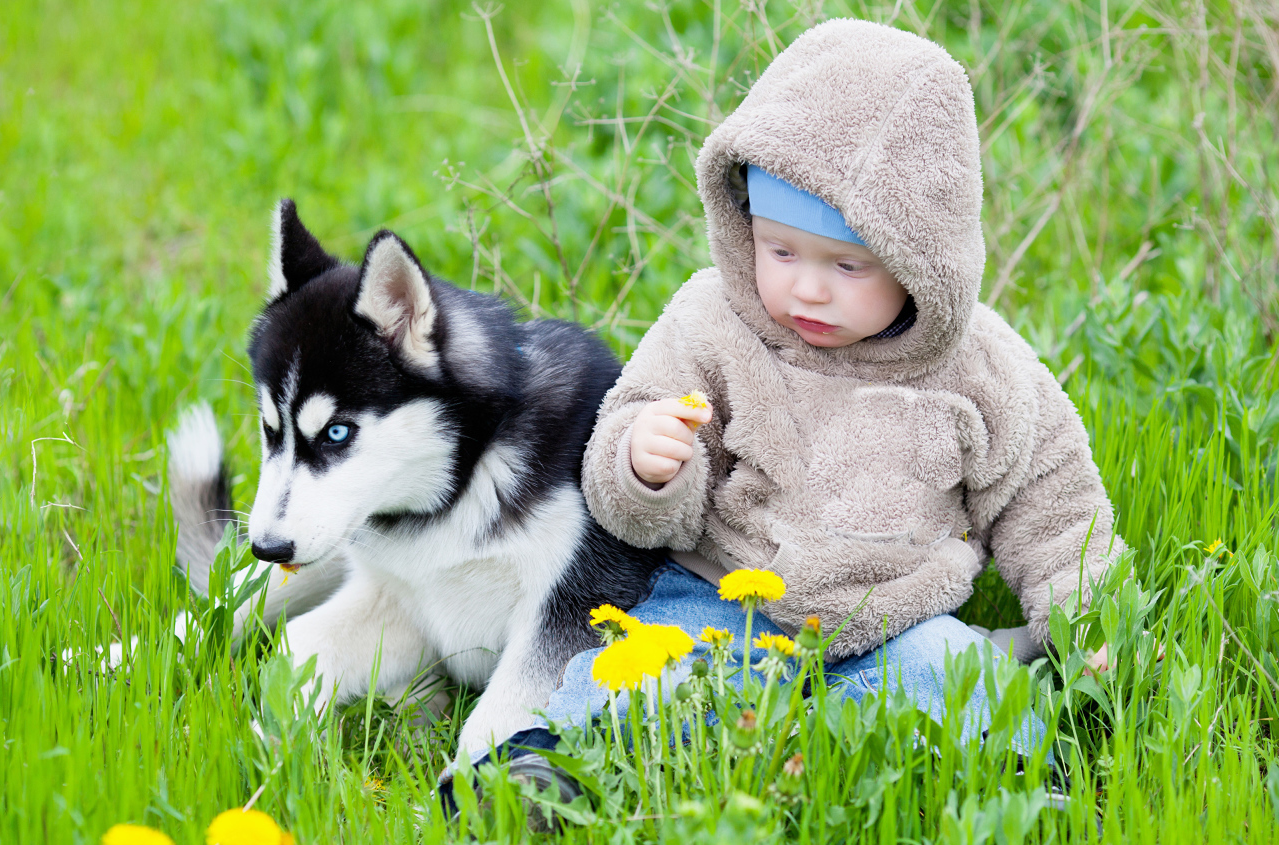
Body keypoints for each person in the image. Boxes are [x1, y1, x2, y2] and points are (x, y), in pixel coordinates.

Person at [464, 18, 1123, 795]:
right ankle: (552, 774)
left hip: (888, 618)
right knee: (637, 676)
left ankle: (1008, 786)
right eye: (781, 251)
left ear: (923, 261)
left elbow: (1051, 496)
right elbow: (627, 436)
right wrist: (642, 465)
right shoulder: (711, 323)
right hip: (712, 594)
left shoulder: (981, 367)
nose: (806, 288)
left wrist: (1082, 615)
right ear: (745, 225)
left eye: (848, 264)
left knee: (950, 673)